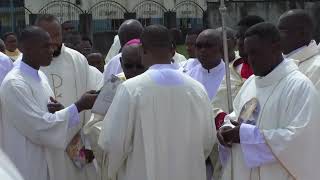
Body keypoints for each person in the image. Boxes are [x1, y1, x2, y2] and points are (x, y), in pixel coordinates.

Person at [98, 25, 215, 180]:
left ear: (141, 49)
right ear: (172, 50)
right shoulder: (197, 89)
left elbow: (113, 143)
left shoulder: (131, 89)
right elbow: (207, 140)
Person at [218, 22, 320, 180]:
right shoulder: (251, 82)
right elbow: (236, 115)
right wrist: (226, 128)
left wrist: (246, 135)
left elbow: (302, 140)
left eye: (256, 53)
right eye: (247, 54)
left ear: (276, 47)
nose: (250, 60)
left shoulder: (298, 86)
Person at [0, 26, 98, 180]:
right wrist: (79, 106)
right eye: (45, 46)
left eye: (52, 45)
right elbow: (40, 128)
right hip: (29, 164)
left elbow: (52, 120)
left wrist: (62, 112)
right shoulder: (14, 84)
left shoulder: (40, 76)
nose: (51, 50)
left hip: (50, 162)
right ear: (26, 48)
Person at [35, 14, 100, 180]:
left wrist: (88, 142)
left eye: (57, 35)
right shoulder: (29, 63)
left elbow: (91, 102)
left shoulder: (77, 59)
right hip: (44, 146)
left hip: (76, 143)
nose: (53, 41)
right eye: (47, 36)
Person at [83, 39, 147, 179]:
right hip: (119, 160)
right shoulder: (113, 85)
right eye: (129, 66)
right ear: (121, 64)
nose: (134, 71)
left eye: (140, 66)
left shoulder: (154, 85)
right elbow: (93, 124)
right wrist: (116, 134)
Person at [212, 15, 264, 129]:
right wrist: (226, 124)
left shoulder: (270, 72)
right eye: (238, 37)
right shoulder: (233, 69)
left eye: (244, 37)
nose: (239, 42)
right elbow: (215, 107)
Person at [278, 9, 320, 90]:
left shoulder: (317, 68)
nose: (277, 36)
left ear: (302, 33)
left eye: (282, 30)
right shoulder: (276, 63)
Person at [186, 29, 225, 101]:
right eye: (199, 46)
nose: (203, 50)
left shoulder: (231, 77)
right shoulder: (188, 77)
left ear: (221, 48)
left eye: (208, 46)